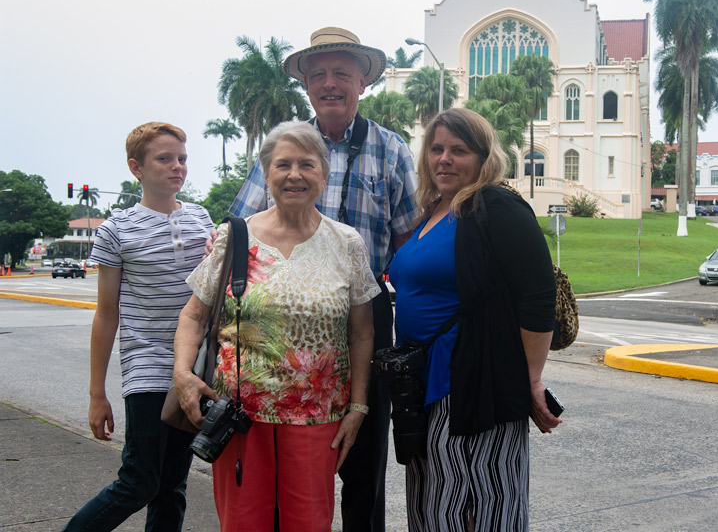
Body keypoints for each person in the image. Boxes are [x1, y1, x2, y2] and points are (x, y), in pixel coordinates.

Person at [228, 26, 418, 531]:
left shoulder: (391, 149)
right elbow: (237, 235)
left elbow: (409, 244)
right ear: (307, 86)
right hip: (284, 312)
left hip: (365, 308)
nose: (330, 83)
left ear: (363, 81)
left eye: (341, 73)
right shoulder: (283, 150)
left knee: (364, 449)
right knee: (281, 450)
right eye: (318, 75)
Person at [174, 121, 379, 530]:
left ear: (324, 173)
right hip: (238, 418)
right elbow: (194, 315)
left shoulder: (347, 243)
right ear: (266, 175)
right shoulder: (234, 236)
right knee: (243, 523)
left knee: (309, 523)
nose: (295, 175)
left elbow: (361, 332)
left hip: (316, 417)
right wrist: (182, 374)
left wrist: (358, 406)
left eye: (307, 164)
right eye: (283, 165)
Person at [388, 108, 561, 531]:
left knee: (481, 502)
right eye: (437, 149)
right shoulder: (430, 212)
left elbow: (538, 296)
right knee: (434, 504)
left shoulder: (495, 206)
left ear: (484, 158)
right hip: (423, 383)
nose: (444, 159)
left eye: (459, 150)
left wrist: (532, 378)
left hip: (473, 381)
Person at [62, 122, 214, 532]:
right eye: (164, 159)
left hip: (195, 369)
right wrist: (98, 393)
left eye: (182, 159)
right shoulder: (117, 229)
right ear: (137, 167)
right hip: (148, 367)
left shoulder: (202, 220)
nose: (177, 167)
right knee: (138, 482)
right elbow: (106, 313)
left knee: (172, 486)